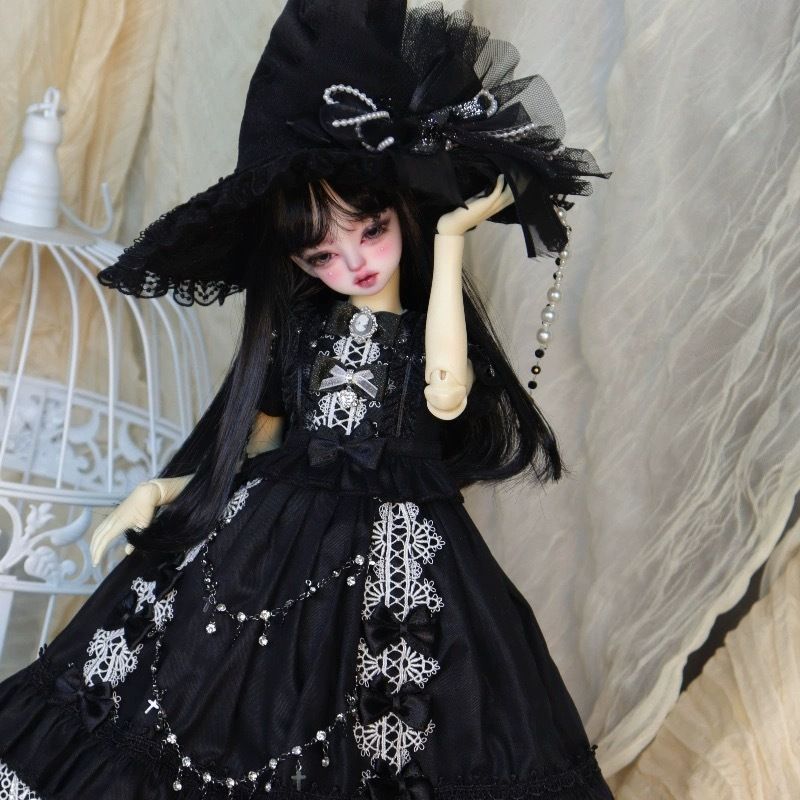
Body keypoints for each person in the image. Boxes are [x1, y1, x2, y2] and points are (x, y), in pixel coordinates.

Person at [0, 2, 613, 798]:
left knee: (401, 715)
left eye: (370, 230)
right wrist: (165, 488)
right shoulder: (301, 333)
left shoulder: (419, 326)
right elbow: (258, 445)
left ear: (403, 212)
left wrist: (451, 240)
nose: (351, 263)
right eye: (320, 253)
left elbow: (448, 392)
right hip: (270, 530)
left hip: (402, 549)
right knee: (207, 697)